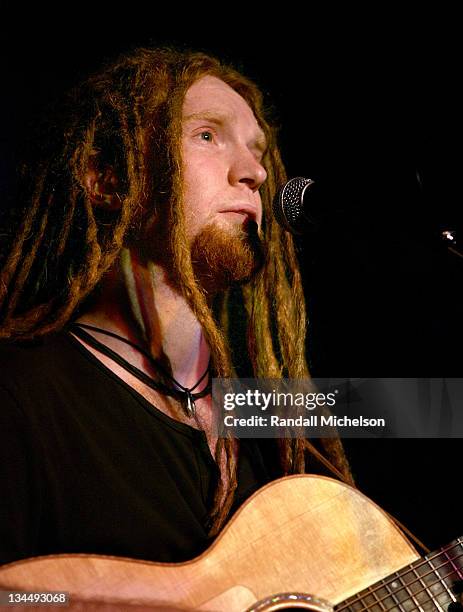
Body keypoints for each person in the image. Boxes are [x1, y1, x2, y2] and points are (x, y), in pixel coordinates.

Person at [0, 47, 353, 566]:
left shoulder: (286, 420)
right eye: (208, 135)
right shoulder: (20, 397)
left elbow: (436, 411)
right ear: (108, 181)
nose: (254, 172)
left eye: (257, 150)